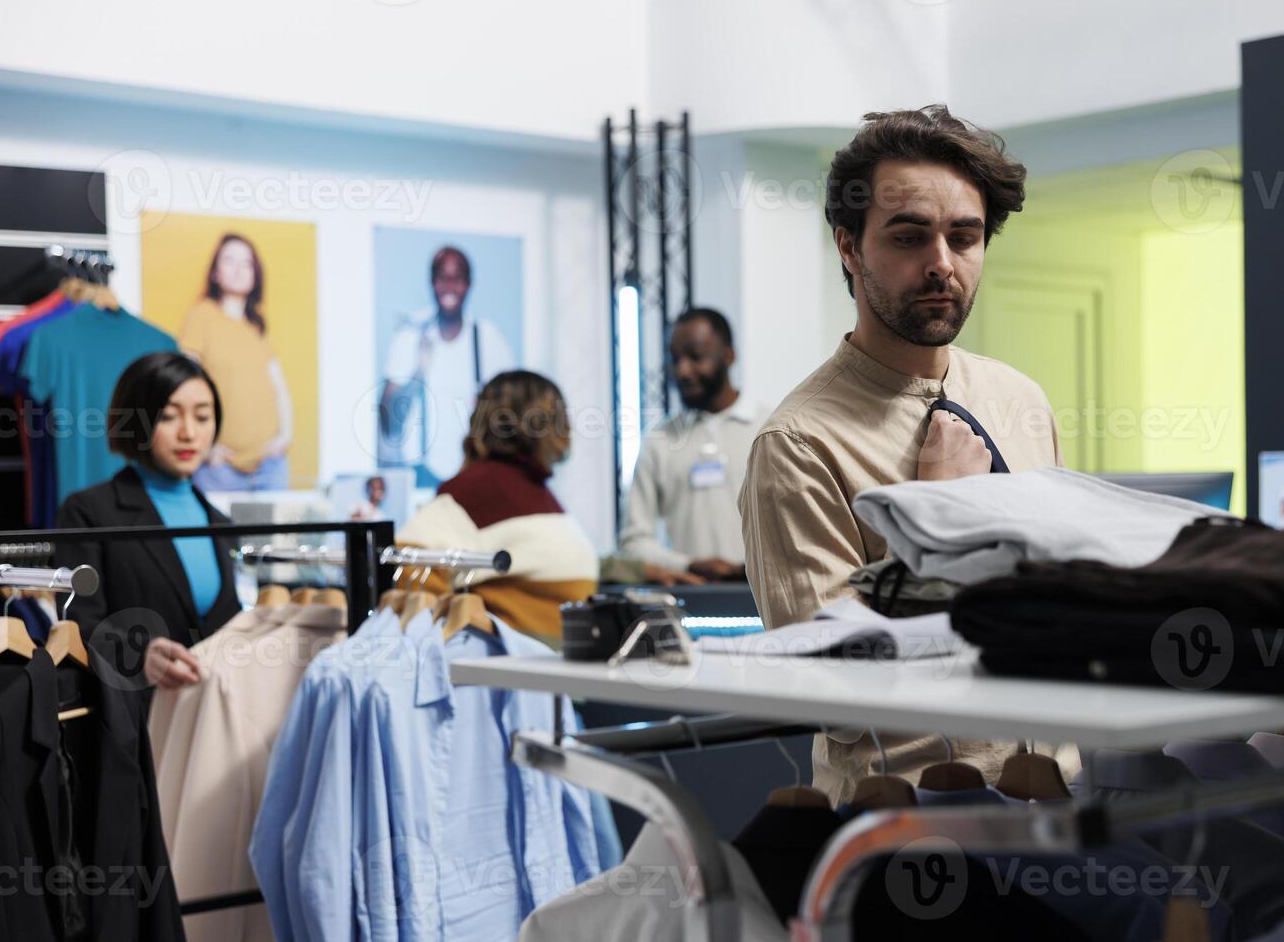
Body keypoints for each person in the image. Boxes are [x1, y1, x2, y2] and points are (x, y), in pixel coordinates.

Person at [739, 106, 1063, 805]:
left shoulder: (1021, 399)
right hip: (912, 829)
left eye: (965, 237)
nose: (942, 264)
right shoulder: (799, 444)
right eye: (911, 237)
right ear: (849, 248)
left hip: (1061, 802)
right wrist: (941, 518)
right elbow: (836, 694)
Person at [56, 352, 242, 695]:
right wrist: (139, 656)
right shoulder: (89, 513)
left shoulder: (221, 525)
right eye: (169, 416)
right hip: (135, 723)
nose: (189, 433)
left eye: (203, 416)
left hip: (212, 719)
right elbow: (78, 626)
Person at [397, 370, 597, 642]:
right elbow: (408, 566)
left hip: (543, 670)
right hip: (510, 674)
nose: (568, 425)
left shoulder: (530, 485)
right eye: (557, 412)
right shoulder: (474, 490)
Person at [618, 308, 763, 581]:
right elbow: (633, 544)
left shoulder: (769, 429)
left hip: (766, 602)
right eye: (675, 359)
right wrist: (688, 564)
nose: (683, 371)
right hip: (692, 601)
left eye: (696, 357)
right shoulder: (659, 440)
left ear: (730, 356)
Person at [380, 245, 516, 486]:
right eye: (442, 278)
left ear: (469, 283)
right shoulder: (410, 338)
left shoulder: (488, 338)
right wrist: (418, 373)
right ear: (432, 282)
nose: (450, 286)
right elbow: (387, 420)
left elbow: (514, 414)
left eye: (457, 278)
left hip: (476, 472)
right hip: (421, 478)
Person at [183, 232, 294, 493]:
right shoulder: (202, 315)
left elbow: (279, 388)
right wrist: (205, 448)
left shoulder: (256, 325)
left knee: (276, 536)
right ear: (215, 272)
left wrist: (285, 437)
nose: (238, 269)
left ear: (255, 273)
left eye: (246, 263)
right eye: (229, 260)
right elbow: (185, 384)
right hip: (220, 470)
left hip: (270, 466)